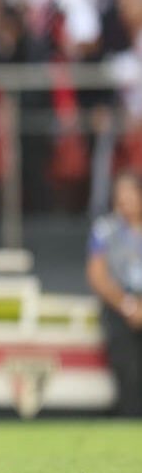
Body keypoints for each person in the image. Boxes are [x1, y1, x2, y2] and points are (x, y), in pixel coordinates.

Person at [86, 172, 142, 417]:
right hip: (120, 308)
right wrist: (128, 305)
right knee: (128, 372)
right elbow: (97, 274)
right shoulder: (106, 229)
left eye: (130, 194)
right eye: (120, 194)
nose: (124, 200)